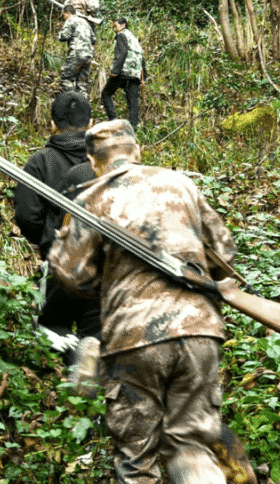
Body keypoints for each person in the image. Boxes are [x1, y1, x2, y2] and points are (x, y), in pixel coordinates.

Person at [48, 119, 238, 484]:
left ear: (92, 158)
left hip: (133, 340)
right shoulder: (181, 184)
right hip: (200, 332)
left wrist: (107, 279)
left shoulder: (90, 198)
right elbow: (224, 251)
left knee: (137, 461)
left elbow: (69, 275)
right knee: (191, 445)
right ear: (137, 149)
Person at [12, 92, 101, 359]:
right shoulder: (104, 163)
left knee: (53, 328)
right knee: (96, 333)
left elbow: (27, 217)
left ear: (52, 124)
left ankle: (65, 382)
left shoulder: (40, 162)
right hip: (105, 263)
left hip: (60, 261)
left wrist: (47, 239)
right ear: (91, 123)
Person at [101, 18, 147, 129]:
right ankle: (133, 128)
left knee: (106, 94)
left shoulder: (121, 35)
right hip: (135, 73)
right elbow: (142, 58)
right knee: (133, 101)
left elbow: (122, 53)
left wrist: (114, 71)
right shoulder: (134, 38)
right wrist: (143, 77)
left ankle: (113, 121)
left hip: (124, 70)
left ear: (123, 25)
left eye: (115, 26)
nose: (114, 29)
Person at [58, 4, 96, 94]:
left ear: (68, 13)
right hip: (88, 55)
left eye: (63, 15)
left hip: (77, 53)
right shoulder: (85, 22)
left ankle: (70, 102)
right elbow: (93, 39)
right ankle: (83, 105)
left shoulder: (70, 20)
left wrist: (59, 32)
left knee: (66, 79)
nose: (63, 18)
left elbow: (63, 36)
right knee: (82, 84)